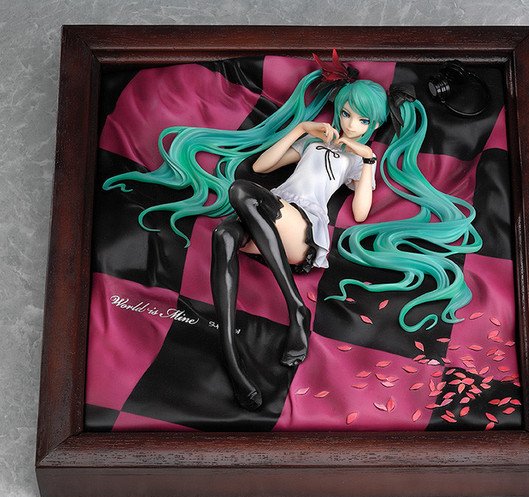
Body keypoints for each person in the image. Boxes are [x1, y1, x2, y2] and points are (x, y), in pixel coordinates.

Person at [103, 56, 482, 410]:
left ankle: (294, 306)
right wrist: (302, 129)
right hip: (271, 211)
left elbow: (360, 212)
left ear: (374, 125)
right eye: (346, 114)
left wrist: (367, 160)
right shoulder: (313, 143)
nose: (351, 124)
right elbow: (262, 165)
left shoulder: (358, 159)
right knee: (223, 236)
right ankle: (234, 361)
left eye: (362, 121)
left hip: (302, 226)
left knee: (240, 191)